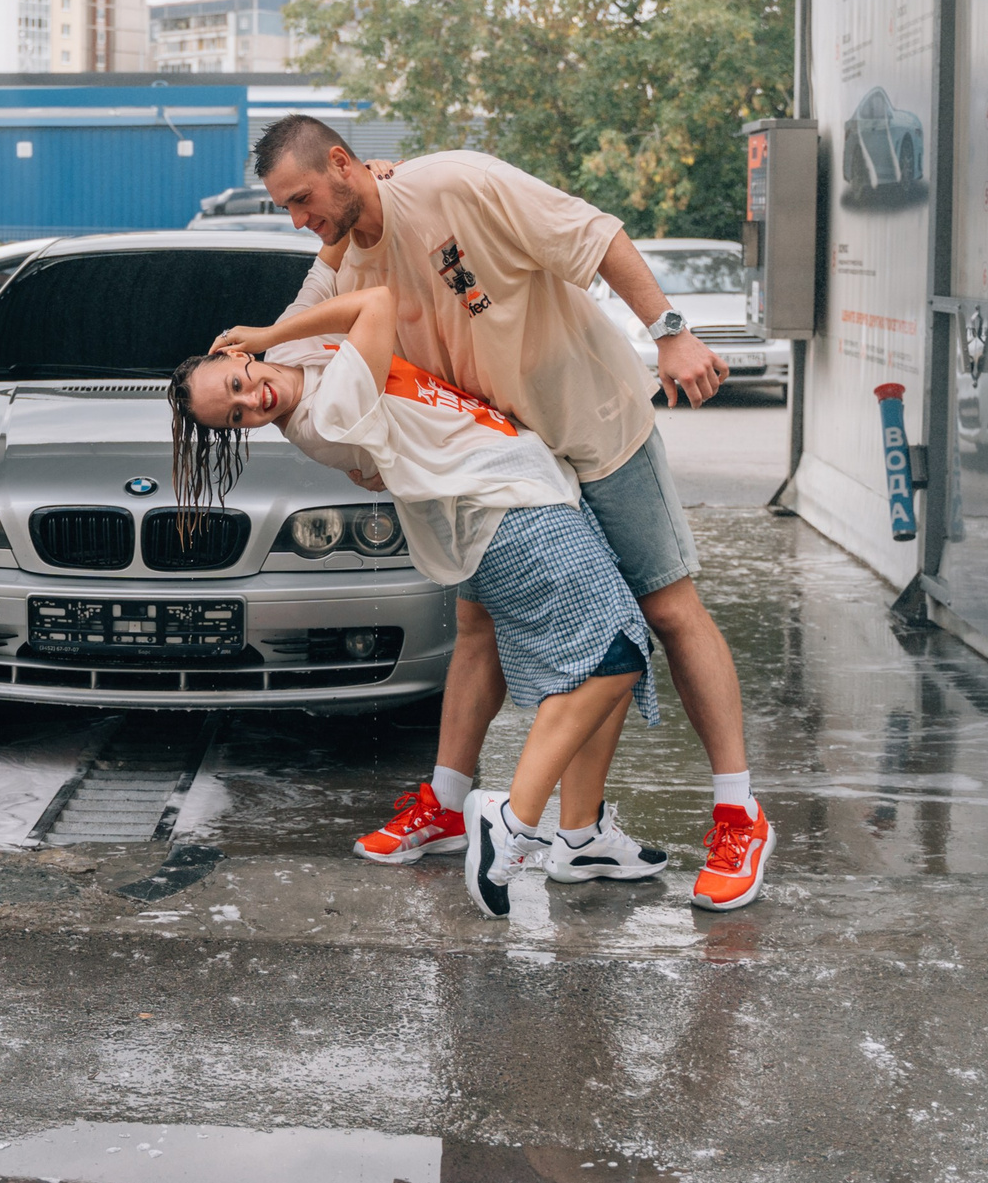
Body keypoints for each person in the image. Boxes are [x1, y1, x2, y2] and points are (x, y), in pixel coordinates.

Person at [254, 115, 774, 911]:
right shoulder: (346, 268)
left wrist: (670, 333)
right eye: (285, 209)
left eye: (301, 198)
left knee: (667, 609)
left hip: (592, 425)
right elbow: (291, 355)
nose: (298, 219)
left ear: (340, 163)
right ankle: (479, 810)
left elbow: (593, 234)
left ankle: (739, 814)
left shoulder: (455, 183)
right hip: (504, 463)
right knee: (484, 628)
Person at [172, 284, 667, 914]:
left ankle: (582, 835)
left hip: (514, 489)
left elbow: (337, 267)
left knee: (607, 653)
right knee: (612, 660)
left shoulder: (297, 356)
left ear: (233, 356)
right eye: (236, 418)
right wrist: (265, 338)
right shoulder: (324, 412)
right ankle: (511, 821)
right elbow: (378, 301)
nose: (251, 402)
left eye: (237, 387)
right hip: (506, 508)